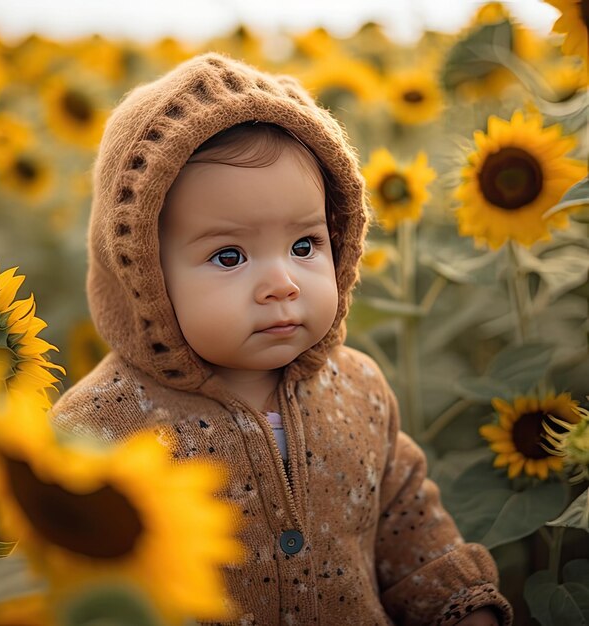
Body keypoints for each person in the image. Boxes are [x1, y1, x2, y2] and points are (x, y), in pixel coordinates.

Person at [52, 51, 513, 626]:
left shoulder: (361, 389)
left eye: (304, 246)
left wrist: (459, 606)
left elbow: (408, 522)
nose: (282, 284)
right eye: (229, 255)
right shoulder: (98, 427)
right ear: (142, 273)